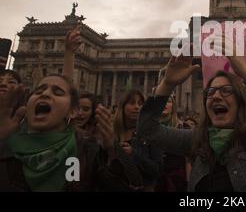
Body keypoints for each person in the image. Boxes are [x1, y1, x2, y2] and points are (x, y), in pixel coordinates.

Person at [136, 52, 246, 192]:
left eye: (226, 91)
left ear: (241, 103)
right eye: (211, 91)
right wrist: (167, 84)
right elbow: (147, 130)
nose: (216, 96)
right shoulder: (197, 140)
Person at [0, 75, 142, 191]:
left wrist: (113, 152)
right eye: (38, 91)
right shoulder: (10, 145)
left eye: (57, 92)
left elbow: (132, 185)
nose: (45, 94)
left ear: (73, 111)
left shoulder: (86, 151)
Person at [113, 89, 162, 191]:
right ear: (122, 106)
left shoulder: (151, 133)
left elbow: (158, 170)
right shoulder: (112, 133)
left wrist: (133, 154)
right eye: (132, 103)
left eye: (140, 104)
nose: (137, 107)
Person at [155, 94, 191, 192]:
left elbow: (188, 160)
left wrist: (188, 183)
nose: (164, 104)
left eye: (168, 101)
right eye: (161, 101)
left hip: (177, 181)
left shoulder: (183, 127)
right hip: (153, 180)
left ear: (173, 106)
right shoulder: (149, 130)